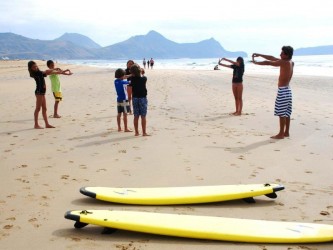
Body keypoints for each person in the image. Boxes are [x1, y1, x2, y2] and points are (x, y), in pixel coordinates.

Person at [252, 46, 294, 139]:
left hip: (283, 91)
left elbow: (269, 62)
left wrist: (256, 63)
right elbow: (272, 58)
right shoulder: (290, 62)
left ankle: (281, 134)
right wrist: (260, 55)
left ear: (286, 55)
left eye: (282, 53)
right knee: (287, 113)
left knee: (281, 113)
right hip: (288, 90)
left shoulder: (284, 62)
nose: (280, 54)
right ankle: (286, 132)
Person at [28, 61, 62, 129]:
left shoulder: (39, 72)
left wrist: (59, 71)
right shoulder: (36, 73)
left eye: (36, 66)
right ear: (31, 68)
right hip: (39, 92)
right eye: (34, 67)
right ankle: (36, 125)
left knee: (44, 108)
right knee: (38, 109)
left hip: (42, 92)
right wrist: (54, 69)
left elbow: (47, 73)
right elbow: (46, 71)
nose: (35, 67)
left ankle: (47, 124)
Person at [130, 63, 149, 136]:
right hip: (142, 98)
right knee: (143, 116)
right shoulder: (144, 78)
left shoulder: (132, 79)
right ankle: (144, 132)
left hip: (135, 98)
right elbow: (143, 74)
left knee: (136, 116)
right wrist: (141, 71)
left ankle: (136, 132)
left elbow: (133, 76)